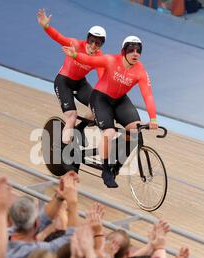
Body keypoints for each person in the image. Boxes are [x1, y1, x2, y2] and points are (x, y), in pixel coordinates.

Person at [63, 36, 159, 188]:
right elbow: (90, 61)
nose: (135, 53)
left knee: (135, 131)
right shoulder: (111, 60)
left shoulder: (140, 71)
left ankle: (116, 164)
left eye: (138, 50)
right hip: (101, 98)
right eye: (131, 50)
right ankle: (106, 170)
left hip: (120, 101)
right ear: (123, 51)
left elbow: (147, 94)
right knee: (109, 133)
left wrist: (153, 118)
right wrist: (75, 55)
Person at [37, 9, 106, 147]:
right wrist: (46, 26)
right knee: (71, 117)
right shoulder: (74, 44)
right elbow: (58, 37)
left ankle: (79, 130)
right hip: (63, 82)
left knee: (98, 108)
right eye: (91, 41)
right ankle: (62, 149)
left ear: (101, 45)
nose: (93, 46)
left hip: (80, 84)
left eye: (97, 43)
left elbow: (102, 77)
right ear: (87, 39)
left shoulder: (99, 56)